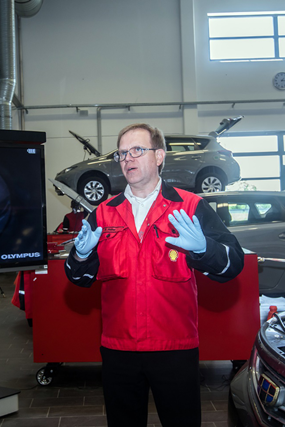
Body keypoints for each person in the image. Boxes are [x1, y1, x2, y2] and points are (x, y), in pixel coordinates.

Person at [64, 123, 244, 427]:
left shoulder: (190, 207)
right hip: (119, 350)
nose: (128, 159)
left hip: (174, 349)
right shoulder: (103, 214)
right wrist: (80, 256)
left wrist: (204, 248)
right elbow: (78, 279)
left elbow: (233, 264)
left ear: (159, 156)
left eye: (137, 150)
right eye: (122, 153)